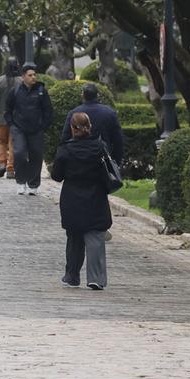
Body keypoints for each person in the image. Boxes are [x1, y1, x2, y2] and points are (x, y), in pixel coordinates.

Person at [52, 112, 112, 289]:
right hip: (96, 196)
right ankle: (96, 278)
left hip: (72, 198)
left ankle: (72, 275)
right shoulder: (100, 147)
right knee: (95, 237)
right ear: (89, 126)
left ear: (72, 128)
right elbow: (108, 171)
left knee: (74, 237)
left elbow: (57, 175)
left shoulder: (65, 149)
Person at [4, 62, 54, 196]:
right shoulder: (15, 91)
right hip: (18, 128)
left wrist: (43, 126)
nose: (33, 77)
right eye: (30, 75)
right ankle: (20, 182)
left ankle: (33, 184)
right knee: (19, 153)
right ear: (23, 77)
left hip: (36, 129)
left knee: (36, 156)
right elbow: (7, 110)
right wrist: (11, 124)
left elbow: (48, 110)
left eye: (34, 75)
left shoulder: (41, 91)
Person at [60, 83, 124, 165]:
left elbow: (65, 139)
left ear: (82, 95)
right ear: (97, 95)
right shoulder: (110, 113)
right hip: (102, 161)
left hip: (78, 160)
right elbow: (118, 140)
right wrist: (116, 162)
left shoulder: (74, 113)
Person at [0, 59, 22, 179]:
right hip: (16, 119)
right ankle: (10, 169)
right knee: (12, 143)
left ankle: (2, 164)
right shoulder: (21, 82)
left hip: (1, 118)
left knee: (1, 142)